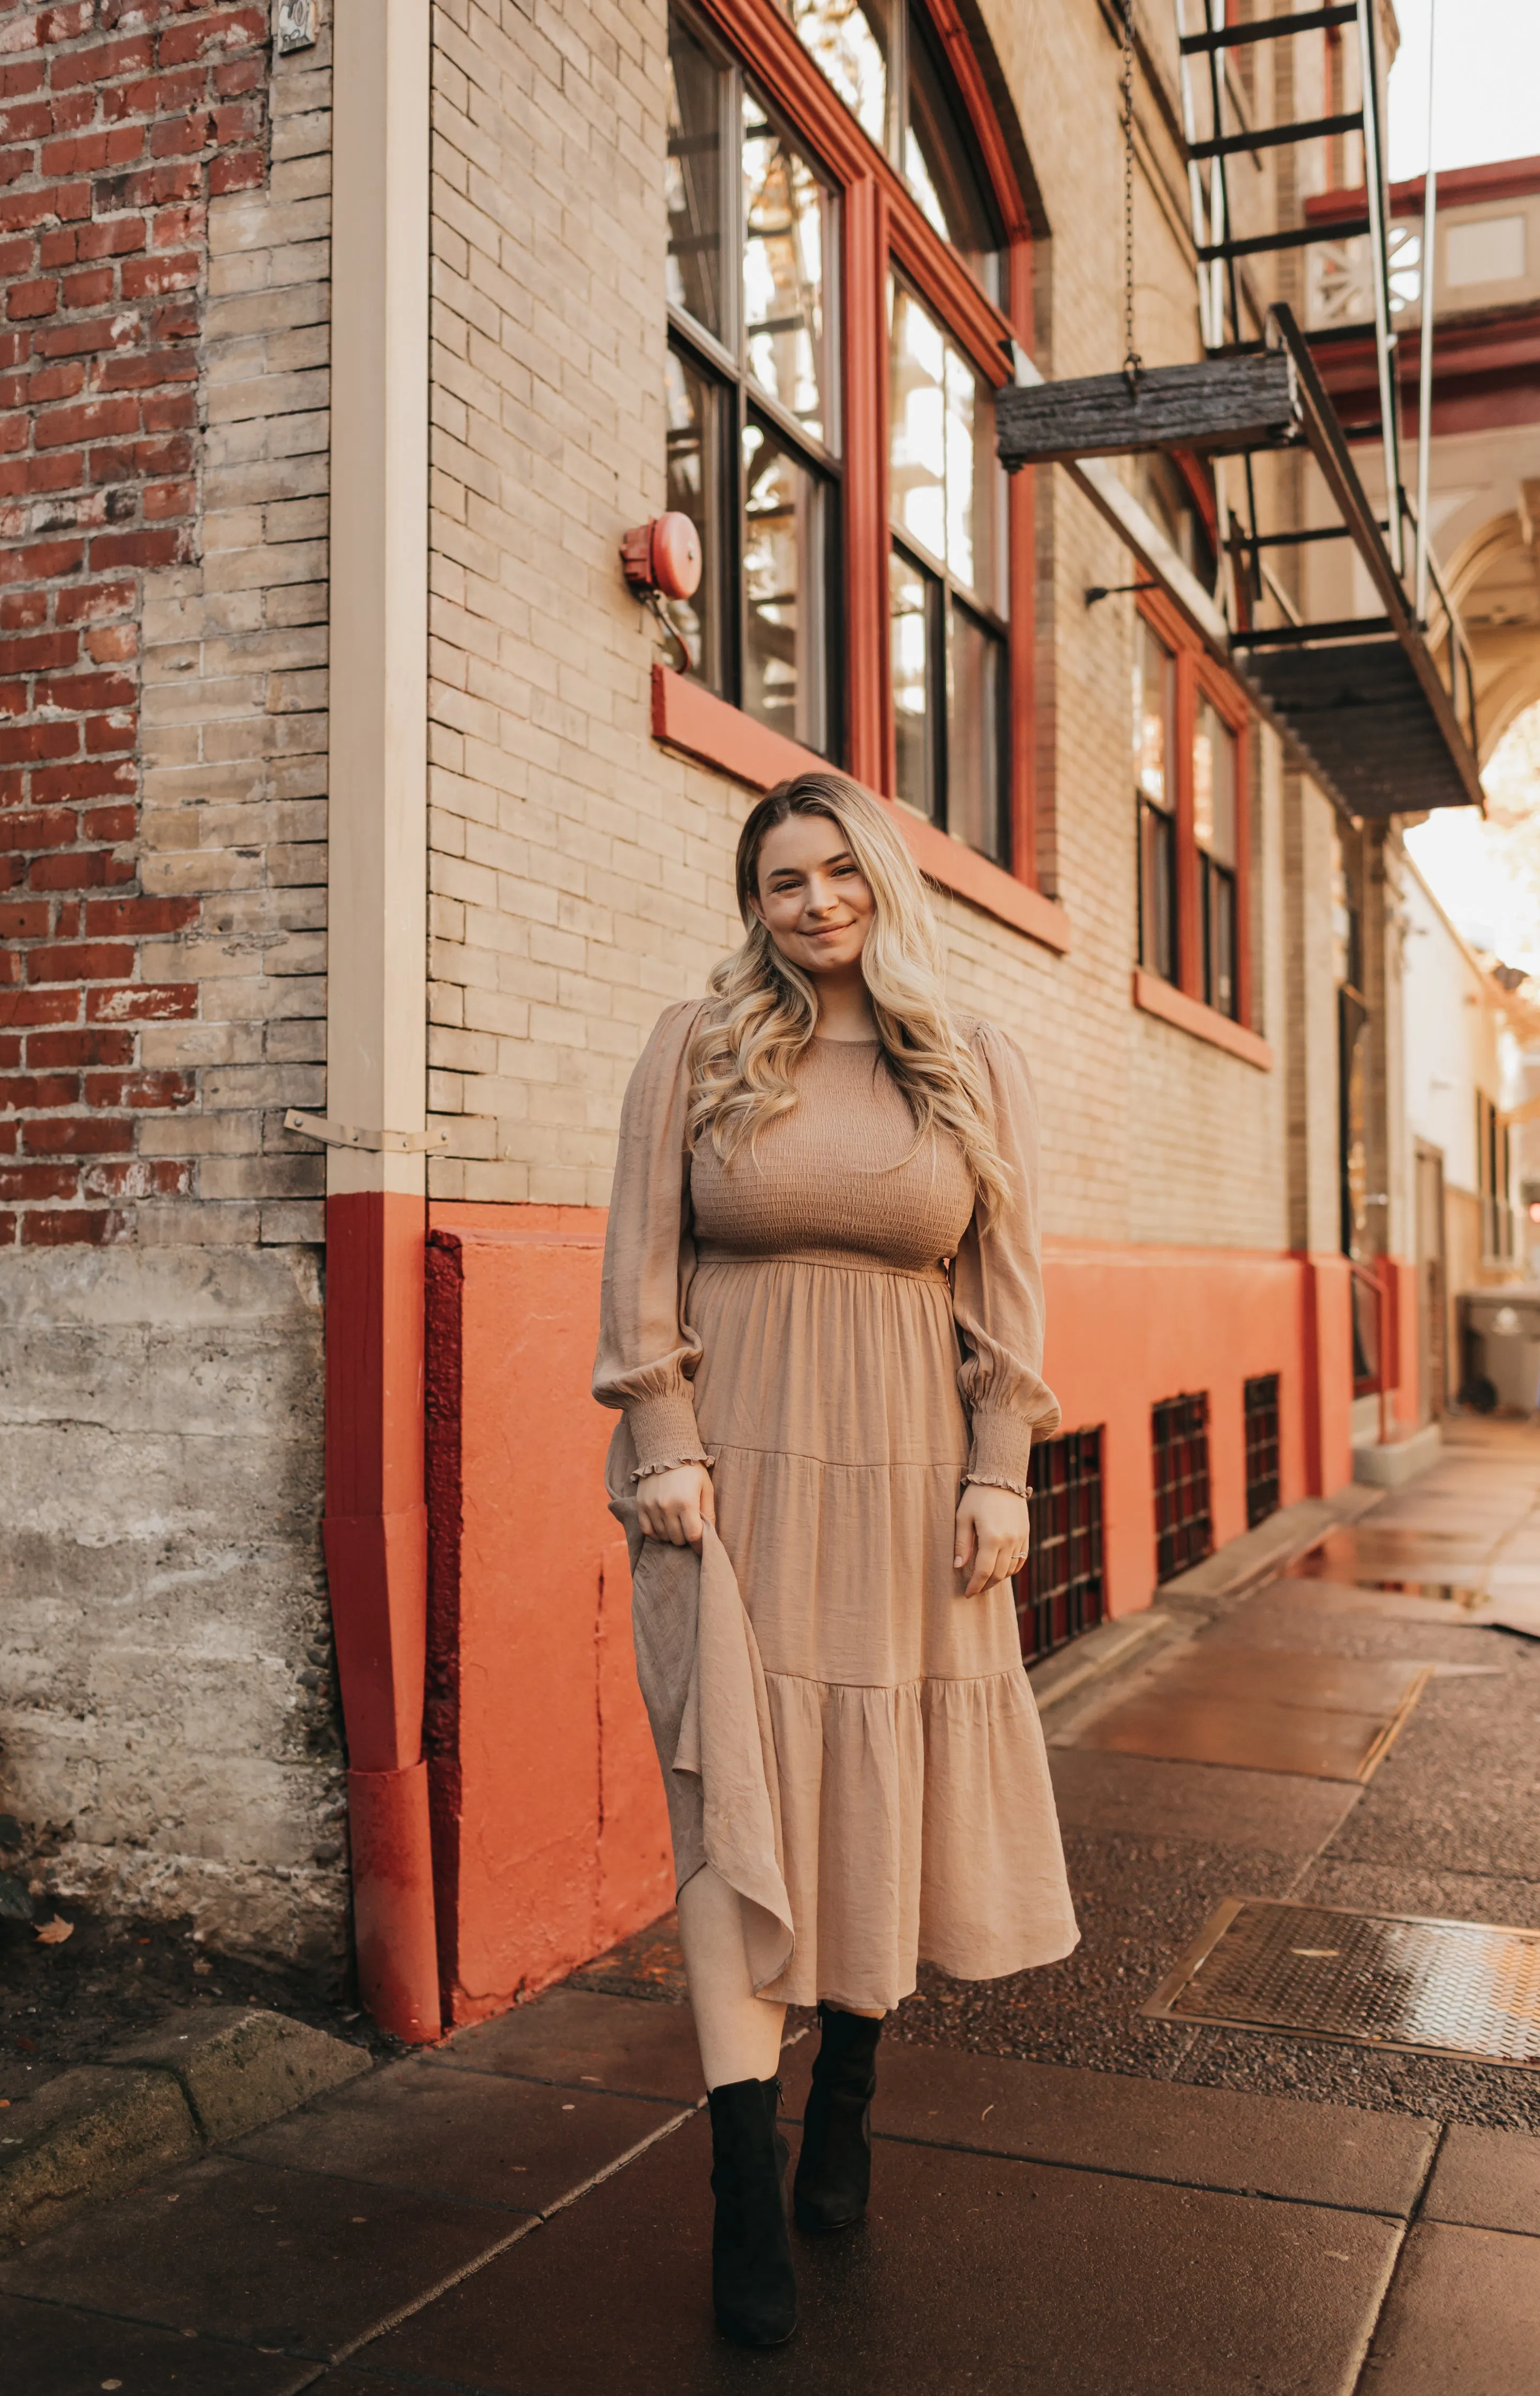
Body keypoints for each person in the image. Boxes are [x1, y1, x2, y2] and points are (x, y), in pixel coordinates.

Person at [593, 769, 1077, 2347]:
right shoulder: (699, 1043)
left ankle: (848, 2092)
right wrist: (660, 1433)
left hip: (910, 1476)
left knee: (879, 1779)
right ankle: (745, 2169)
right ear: (755, 902)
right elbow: (638, 1263)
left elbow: (1007, 1299)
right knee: (732, 1794)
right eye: (780, 881)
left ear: (879, 876)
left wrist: (1003, 1473)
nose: (812, 903)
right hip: (729, 1473)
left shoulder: (967, 1065)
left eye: (833, 871)